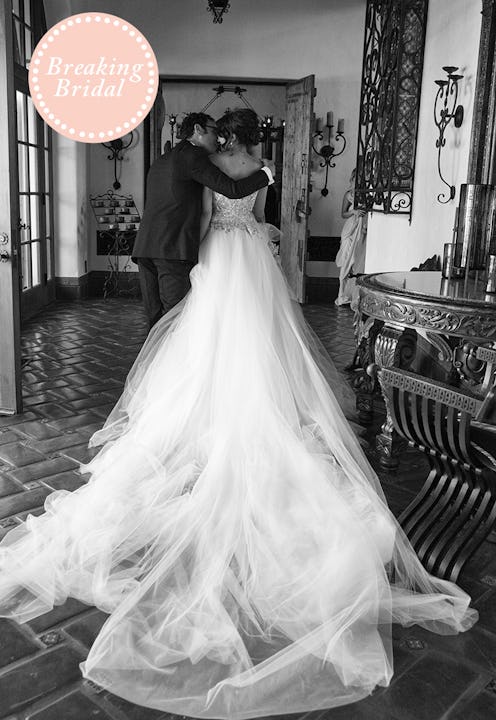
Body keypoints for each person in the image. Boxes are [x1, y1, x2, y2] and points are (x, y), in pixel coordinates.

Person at [0, 110, 477, 719]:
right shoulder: (261, 169)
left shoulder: (209, 165)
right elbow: (260, 216)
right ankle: (264, 402)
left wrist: (204, 259)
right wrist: (264, 233)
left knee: (210, 341)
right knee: (265, 339)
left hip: (219, 257)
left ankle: (210, 408)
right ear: (255, 139)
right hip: (251, 258)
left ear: (224, 136)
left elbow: (204, 217)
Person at [132, 112, 274, 329]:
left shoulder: (167, 157)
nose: (218, 138)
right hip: (172, 248)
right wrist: (266, 174)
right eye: (214, 131)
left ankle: (158, 352)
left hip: (146, 246)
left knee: (156, 319)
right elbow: (233, 190)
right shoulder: (195, 157)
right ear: (198, 129)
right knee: (174, 317)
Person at [335, 168, 367, 308]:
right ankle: (341, 294)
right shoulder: (348, 195)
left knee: (357, 260)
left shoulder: (367, 194)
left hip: (361, 229)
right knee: (346, 259)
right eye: (355, 178)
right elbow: (343, 214)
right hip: (349, 230)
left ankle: (355, 294)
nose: (356, 181)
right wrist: (353, 211)